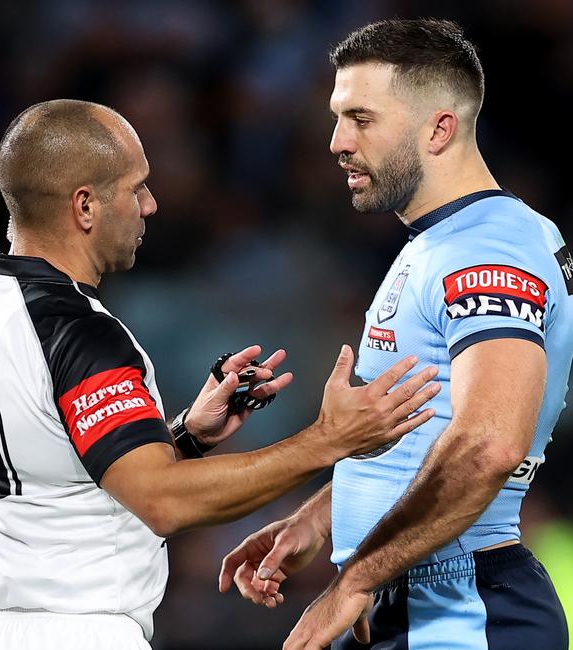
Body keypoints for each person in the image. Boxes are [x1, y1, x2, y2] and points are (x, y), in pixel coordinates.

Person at [0, 99, 441, 650]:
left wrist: (185, 438)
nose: (150, 205)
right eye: (135, 188)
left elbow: (51, 473)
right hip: (75, 631)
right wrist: (329, 440)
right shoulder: (77, 331)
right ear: (85, 206)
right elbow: (162, 502)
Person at [219, 19, 573, 650]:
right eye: (337, 116)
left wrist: (355, 579)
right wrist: (325, 515)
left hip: (468, 608)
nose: (335, 142)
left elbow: (489, 444)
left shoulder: (485, 250)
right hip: (429, 599)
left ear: (439, 128)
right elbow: (427, 434)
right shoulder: (447, 241)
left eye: (361, 118)